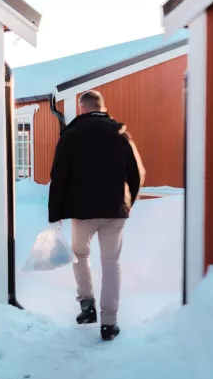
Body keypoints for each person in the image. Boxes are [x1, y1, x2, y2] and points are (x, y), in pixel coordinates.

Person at [48, 89, 145, 340]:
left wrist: (55, 211)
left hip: (82, 212)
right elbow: (137, 172)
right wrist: (128, 202)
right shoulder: (120, 133)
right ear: (102, 107)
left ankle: (86, 305)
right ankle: (109, 324)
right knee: (111, 264)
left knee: (80, 254)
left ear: (82, 108)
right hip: (114, 211)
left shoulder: (71, 134)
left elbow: (59, 174)